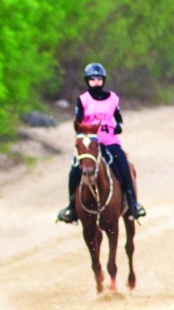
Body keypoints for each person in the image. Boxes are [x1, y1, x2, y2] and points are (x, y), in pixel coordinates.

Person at [58, 63, 146, 224]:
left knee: (124, 167)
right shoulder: (83, 100)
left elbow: (119, 119)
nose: (96, 82)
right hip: (90, 144)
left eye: (99, 79)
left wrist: (118, 126)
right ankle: (72, 207)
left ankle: (133, 203)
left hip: (110, 142)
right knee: (74, 171)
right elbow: (78, 123)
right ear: (87, 81)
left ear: (103, 80)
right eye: (92, 79)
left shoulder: (112, 98)